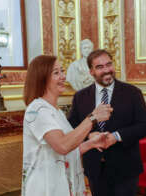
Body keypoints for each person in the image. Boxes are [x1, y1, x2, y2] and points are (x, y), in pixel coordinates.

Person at [22, 55, 112, 196]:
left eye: (62, 71)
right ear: (42, 78)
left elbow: (65, 150)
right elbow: (62, 146)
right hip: (46, 187)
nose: (63, 76)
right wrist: (93, 117)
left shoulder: (55, 111)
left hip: (61, 183)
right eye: (56, 73)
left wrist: (91, 144)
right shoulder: (37, 110)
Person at [68, 49, 146, 196]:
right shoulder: (80, 97)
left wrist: (117, 136)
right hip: (94, 168)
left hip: (126, 168)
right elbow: (72, 128)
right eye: (100, 67)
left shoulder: (133, 93)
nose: (106, 70)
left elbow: (145, 126)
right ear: (91, 72)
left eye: (109, 64)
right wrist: (89, 135)